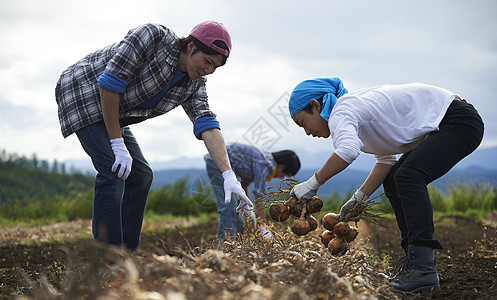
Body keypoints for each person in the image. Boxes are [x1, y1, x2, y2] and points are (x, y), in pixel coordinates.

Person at [54, 21, 252, 252]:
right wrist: (118, 144)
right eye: (207, 61)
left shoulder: (193, 85)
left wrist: (228, 175)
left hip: (113, 112)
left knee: (142, 176)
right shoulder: (153, 37)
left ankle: (125, 254)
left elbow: (207, 124)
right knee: (112, 170)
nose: (209, 70)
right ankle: (108, 258)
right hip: (82, 94)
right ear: (190, 47)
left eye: (215, 67)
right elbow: (110, 83)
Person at [288, 77, 484, 293]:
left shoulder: (341, 112)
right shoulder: (352, 112)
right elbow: (386, 160)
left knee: (408, 177)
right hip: (450, 122)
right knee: (394, 179)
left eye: (302, 122)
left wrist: (313, 183)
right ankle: (414, 264)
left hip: (458, 121)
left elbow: (347, 151)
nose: (306, 132)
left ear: (315, 105)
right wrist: (360, 197)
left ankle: (423, 268)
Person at [204, 142, 301, 241]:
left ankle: (238, 242)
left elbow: (243, 185)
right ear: (282, 165)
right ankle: (225, 244)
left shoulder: (265, 160)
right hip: (217, 160)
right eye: (284, 173)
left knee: (239, 207)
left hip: (228, 165)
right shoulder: (266, 165)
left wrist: (249, 210)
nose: (281, 177)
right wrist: (263, 227)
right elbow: (259, 198)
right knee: (229, 205)